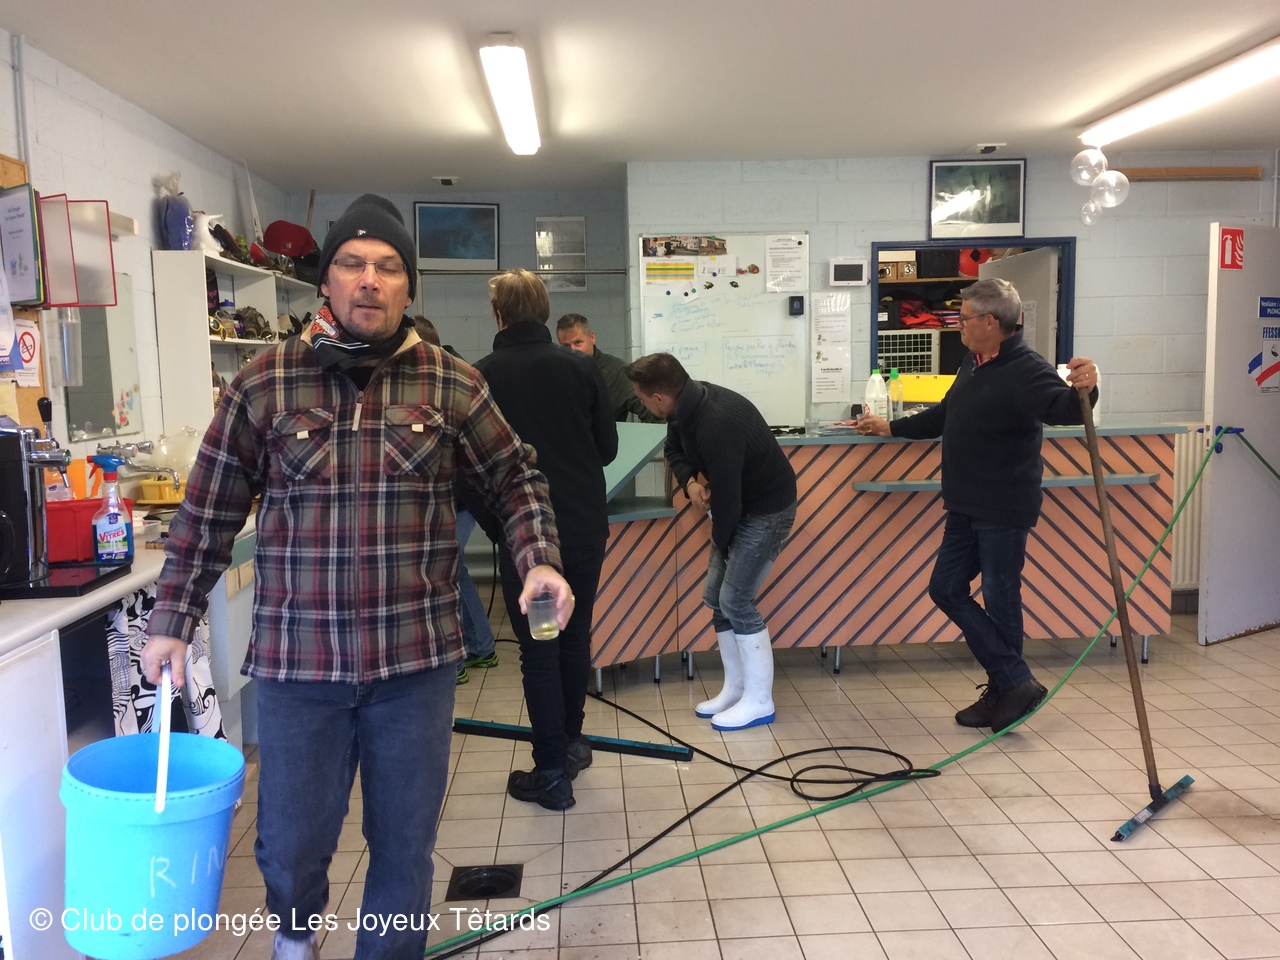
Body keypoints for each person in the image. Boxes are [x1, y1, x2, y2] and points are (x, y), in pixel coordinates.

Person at [141, 195, 572, 960]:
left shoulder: (452, 384)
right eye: (352, 263)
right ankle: (295, 938)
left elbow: (515, 479)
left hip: (414, 666)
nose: (369, 278)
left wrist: (538, 557)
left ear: (407, 288)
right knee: (290, 843)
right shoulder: (265, 383)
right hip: (299, 666)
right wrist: (172, 619)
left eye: (388, 267)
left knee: (404, 845)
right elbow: (207, 510)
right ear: (326, 281)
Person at [857, 277, 1098, 733]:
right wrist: (891, 427)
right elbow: (945, 414)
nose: (958, 325)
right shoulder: (973, 361)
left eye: (964, 318)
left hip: (1003, 505)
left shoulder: (1026, 369)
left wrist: (1087, 385)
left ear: (991, 322)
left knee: (1000, 597)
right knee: (945, 588)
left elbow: (1066, 409)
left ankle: (1005, 691)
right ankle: (1014, 682)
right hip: (964, 503)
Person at [472, 271, 618, 811]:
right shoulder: (581, 367)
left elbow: (471, 467)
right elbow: (606, 448)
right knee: (574, 638)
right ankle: (571, 743)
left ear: (498, 315)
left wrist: (496, 524)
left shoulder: (481, 377)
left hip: (527, 541)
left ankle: (552, 771)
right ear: (545, 311)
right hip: (583, 526)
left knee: (540, 649)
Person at [626, 353, 797, 731]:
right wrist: (690, 483)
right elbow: (673, 449)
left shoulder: (716, 421)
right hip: (738, 506)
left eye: (641, 397)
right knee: (716, 598)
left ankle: (759, 701)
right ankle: (736, 689)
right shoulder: (682, 408)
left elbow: (730, 502)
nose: (640, 403)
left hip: (766, 511)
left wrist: (721, 541)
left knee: (735, 600)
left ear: (659, 397)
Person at [411, 315, 500, 685]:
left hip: (458, 498)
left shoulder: (452, 383)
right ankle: (479, 647)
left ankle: (456, 660)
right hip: (454, 498)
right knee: (454, 569)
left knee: (441, 571)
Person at [556, 313, 660, 422]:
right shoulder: (557, 373)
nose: (572, 350)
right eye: (566, 346)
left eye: (578, 342)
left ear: (592, 337)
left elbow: (652, 413)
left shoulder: (617, 371)